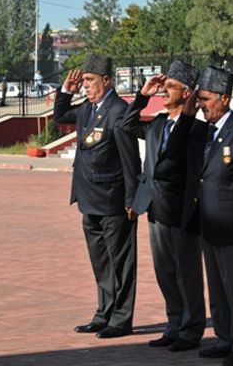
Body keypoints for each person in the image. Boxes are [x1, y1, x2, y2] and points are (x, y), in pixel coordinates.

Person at [181, 66, 233, 366]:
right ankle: (224, 338)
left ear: (224, 98)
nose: (202, 104)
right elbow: (179, 143)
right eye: (199, 99)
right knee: (216, 287)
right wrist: (189, 111)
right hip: (208, 223)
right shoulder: (203, 131)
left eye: (205, 99)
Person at [54, 54, 141, 339]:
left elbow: (131, 160)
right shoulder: (87, 109)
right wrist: (66, 91)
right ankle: (104, 313)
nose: (86, 86)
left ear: (107, 80)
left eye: (90, 81)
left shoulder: (119, 110)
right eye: (85, 81)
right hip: (89, 199)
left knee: (121, 263)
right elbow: (60, 116)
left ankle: (121, 318)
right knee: (101, 262)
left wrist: (132, 199)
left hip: (114, 201)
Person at [122, 61, 205, 352]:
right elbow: (127, 124)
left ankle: (192, 329)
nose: (165, 90)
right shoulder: (157, 123)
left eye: (172, 86)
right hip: (155, 206)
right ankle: (174, 324)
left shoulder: (196, 128)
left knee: (187, 272)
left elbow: (179, 155)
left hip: (182, 210)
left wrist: (189, 114)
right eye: (165, 85)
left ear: (187, 93)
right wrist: (143, 95)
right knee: (165, 271)